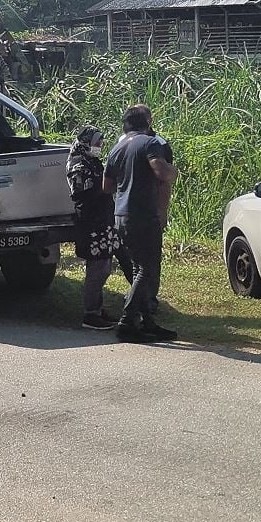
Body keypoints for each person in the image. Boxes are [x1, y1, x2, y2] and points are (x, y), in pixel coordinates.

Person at [104, 104, 178, 343]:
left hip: (121, 215)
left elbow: (107, 186)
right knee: (146, 269)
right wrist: (173, 171)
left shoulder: (117, 148)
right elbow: (162, 173)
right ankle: (127, 322)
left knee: (138, 269)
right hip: (143, 215)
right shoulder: (150, 143)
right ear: (148, 123)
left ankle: (147, 322)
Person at [67, 126, 122, 330]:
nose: (99, 146)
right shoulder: (77, 163)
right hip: (90, 221)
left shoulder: (92, 161)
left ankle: (97, 308)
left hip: (103, 219)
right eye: (96, 142)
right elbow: (81, 191)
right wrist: (106, 185)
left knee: (105, 266)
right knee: (97, 268)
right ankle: (90, 314)